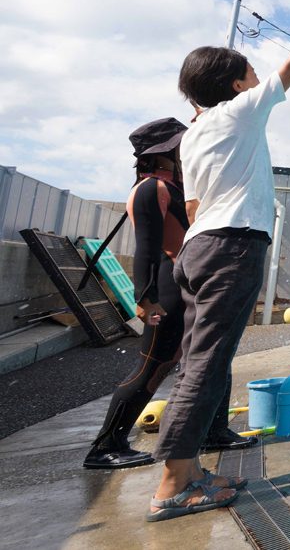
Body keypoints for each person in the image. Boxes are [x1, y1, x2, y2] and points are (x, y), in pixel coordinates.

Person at [146, 0, 290, 522]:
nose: (259, 79)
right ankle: (171, 485)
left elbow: (191, 203)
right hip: (232, 245)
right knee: (207, 365)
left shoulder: (192, 135)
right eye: (249, 73)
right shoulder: (240, 110)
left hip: (198, 246)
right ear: (235, 85)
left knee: (197, 361)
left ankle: (189, 472)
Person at [83, 118, 189, 469]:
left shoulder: (173, 186)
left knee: (170, 364)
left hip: (179, 286)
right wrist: (143, 298)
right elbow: (146, 248)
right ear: (164, 151)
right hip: (165, 287)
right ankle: (104, 446)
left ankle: (116, 440)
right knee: (150, 367)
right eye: (178, 143)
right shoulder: (151, 188)